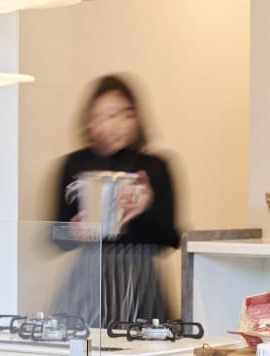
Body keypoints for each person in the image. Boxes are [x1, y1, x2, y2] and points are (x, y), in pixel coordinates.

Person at [54, 74, 179, 327]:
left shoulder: (155, 167)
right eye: (105, 116)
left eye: (124, 114)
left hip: (141, 282)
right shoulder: (74, 164)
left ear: (137, 119)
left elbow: (171, 239)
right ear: (89, 122)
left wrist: (147, 207)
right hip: (87, 278)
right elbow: (53, 236)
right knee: (82, 347)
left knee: (141, 348)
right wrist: (73, 231)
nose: (115, 124)